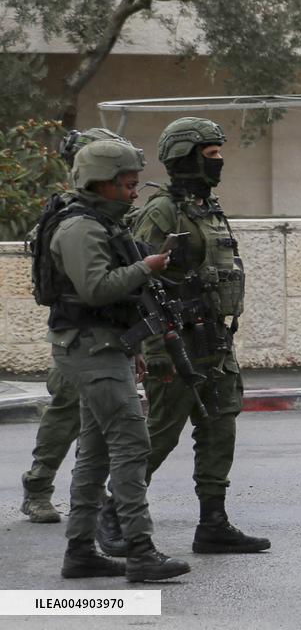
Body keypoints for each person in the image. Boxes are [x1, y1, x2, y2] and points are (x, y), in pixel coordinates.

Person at [100, 117, 270, 556]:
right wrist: (145, 347)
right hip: (173, 342)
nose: (219, 163)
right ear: (186, 158)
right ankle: (113, 513)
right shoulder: (162, 210)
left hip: (213, 340)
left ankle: (213, 522)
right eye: (210, 155)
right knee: (159, 433)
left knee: (220, 428)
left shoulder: (206, 208)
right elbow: (136, 278)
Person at [48, 139, 189, 581]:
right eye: (127, 185)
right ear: (100, 183)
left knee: (94, 454)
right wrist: (146, 267)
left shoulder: (99, 224)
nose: (133, 193)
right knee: (131, 445)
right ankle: (141, 551)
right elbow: (95, 289)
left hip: (104, 347)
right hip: (92, 350)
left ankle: (80, 551)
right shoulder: (81, 229)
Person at [20, 128, 132, 524]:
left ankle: (89, 493)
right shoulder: (69, 216)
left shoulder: (111, 212)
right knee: (66, 409)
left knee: (100, 419)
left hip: (108, 334)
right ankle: (38, 486)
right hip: (76, 333)